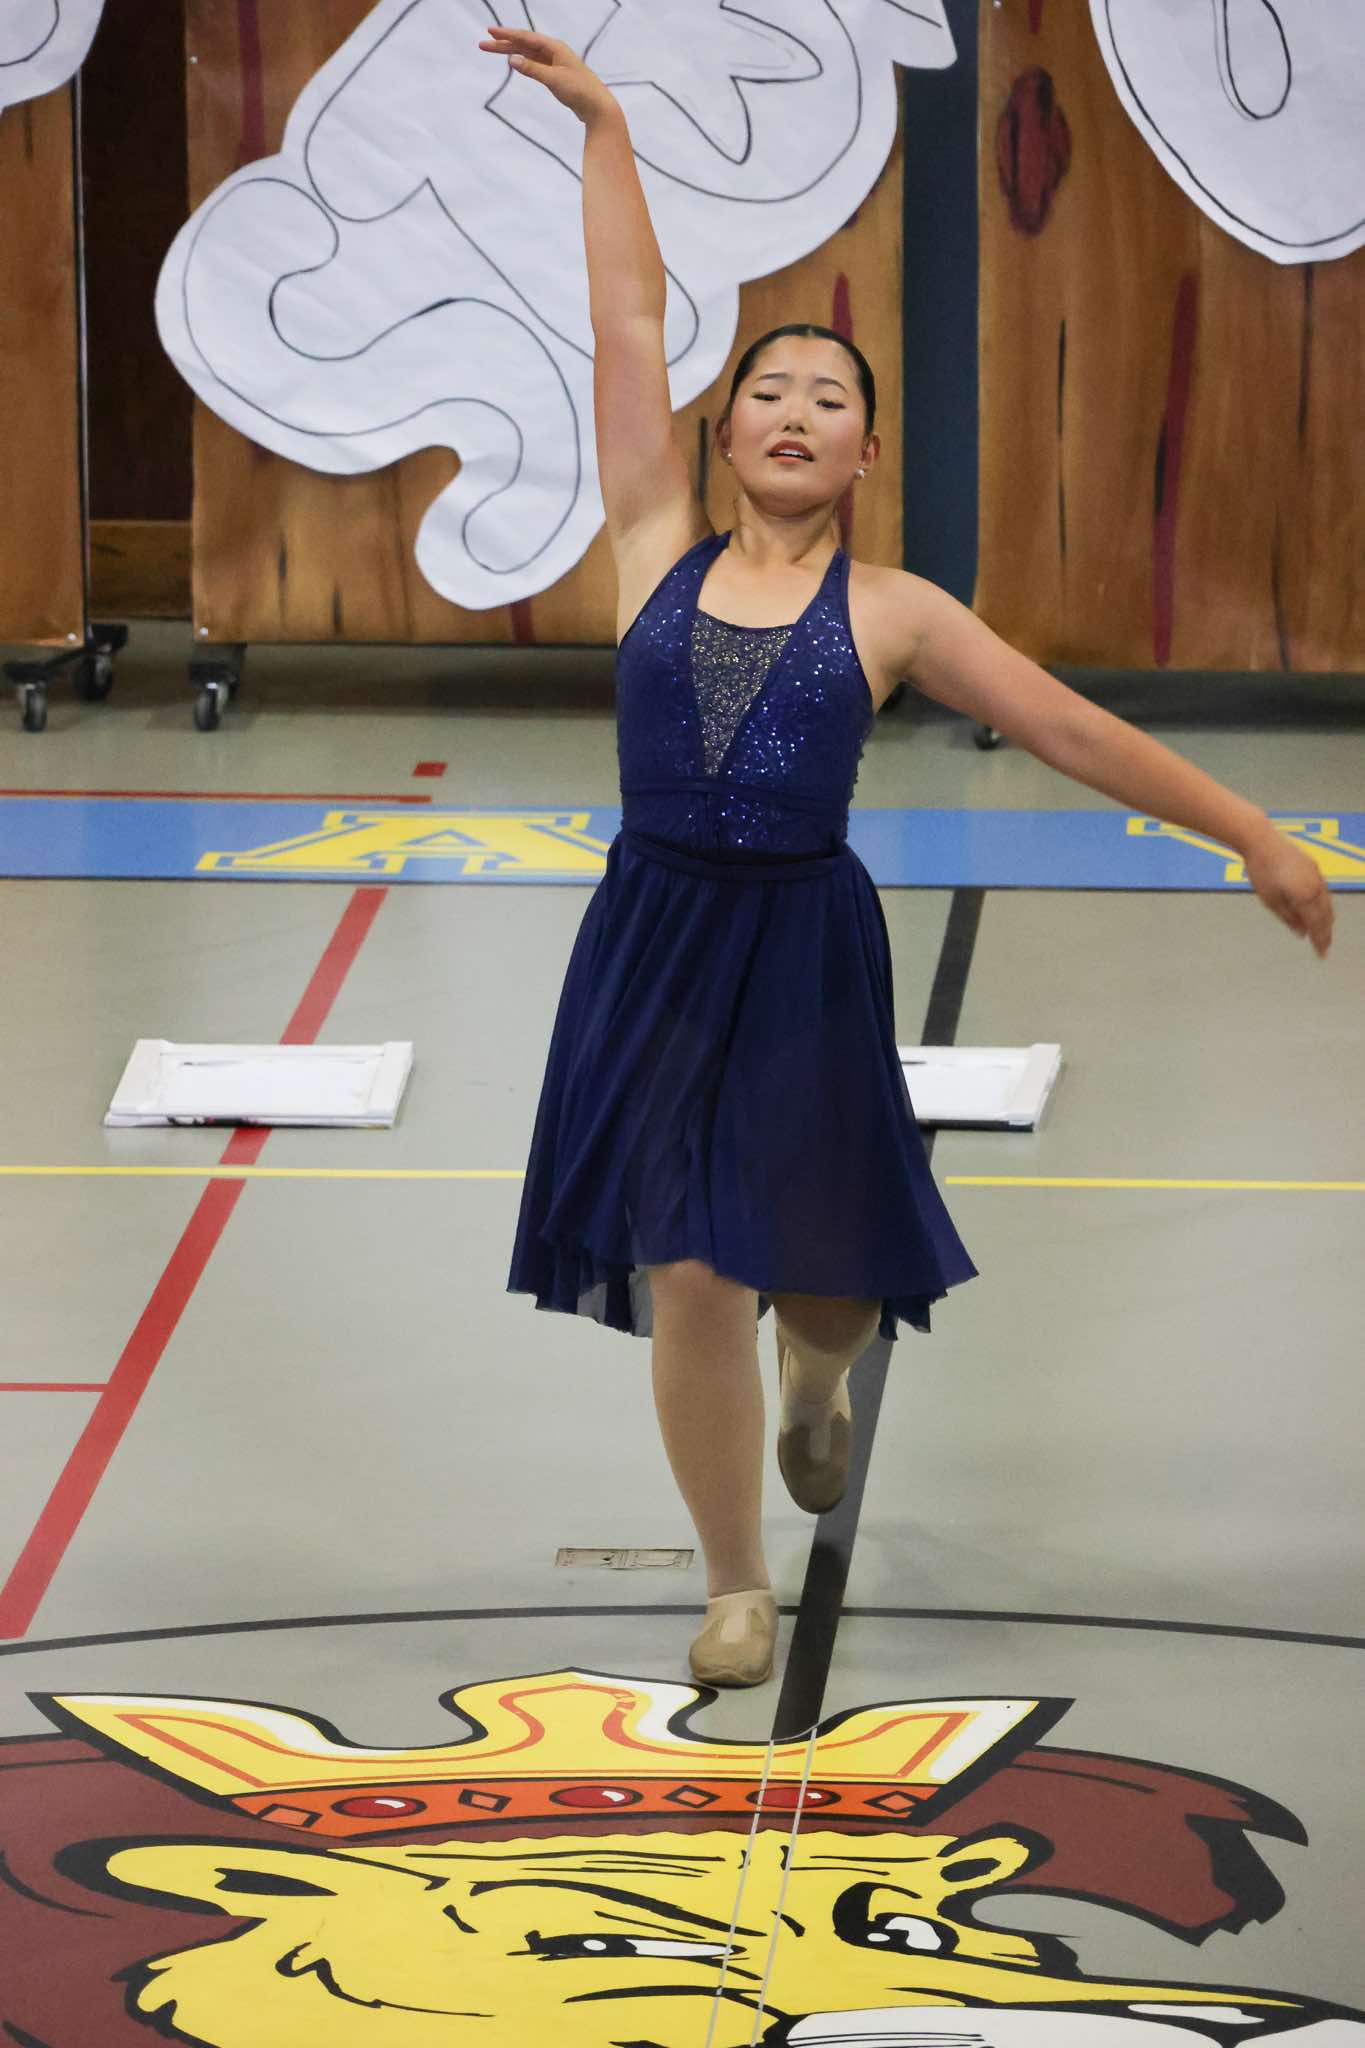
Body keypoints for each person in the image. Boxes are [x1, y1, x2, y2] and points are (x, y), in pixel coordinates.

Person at [487, 25, 1334, 1689]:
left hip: (801, 951)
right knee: (690, 1269)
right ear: (722, 432)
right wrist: (603, 128)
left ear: (867, 455)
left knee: (821, 1291)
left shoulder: (896, 613)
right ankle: (736, 1583)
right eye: (770, 391)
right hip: (652, 942)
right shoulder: (651, 541)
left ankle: (818, 1383)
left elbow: (1070, 729)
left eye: (831, 399)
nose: (795, 411)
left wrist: (1249, 829)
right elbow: (625, 321)